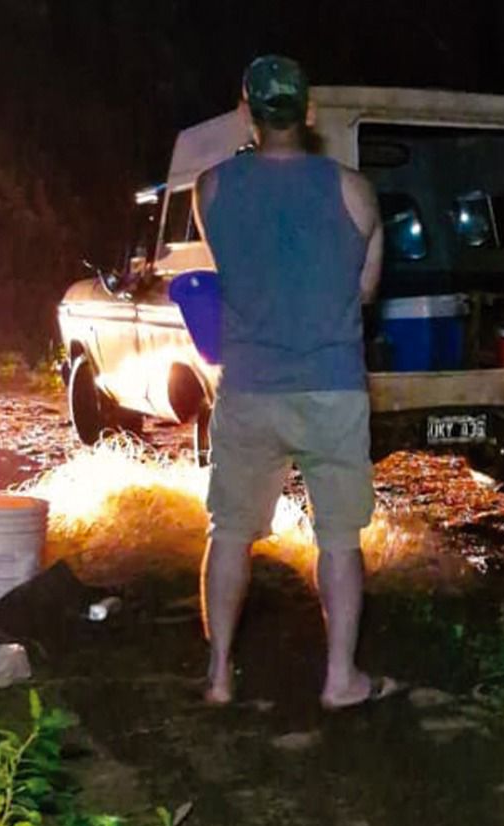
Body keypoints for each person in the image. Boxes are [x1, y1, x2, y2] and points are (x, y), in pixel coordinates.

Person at [193, 55, 396, 710]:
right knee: (338, 538)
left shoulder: (211, 188)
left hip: (249, 385)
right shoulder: (355, 191)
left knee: (228, 532)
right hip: (331, 385)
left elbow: (230, 265)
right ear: (309, 112)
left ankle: (220, 674)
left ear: (246, 112)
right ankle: (341, 679)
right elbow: (364, 291)